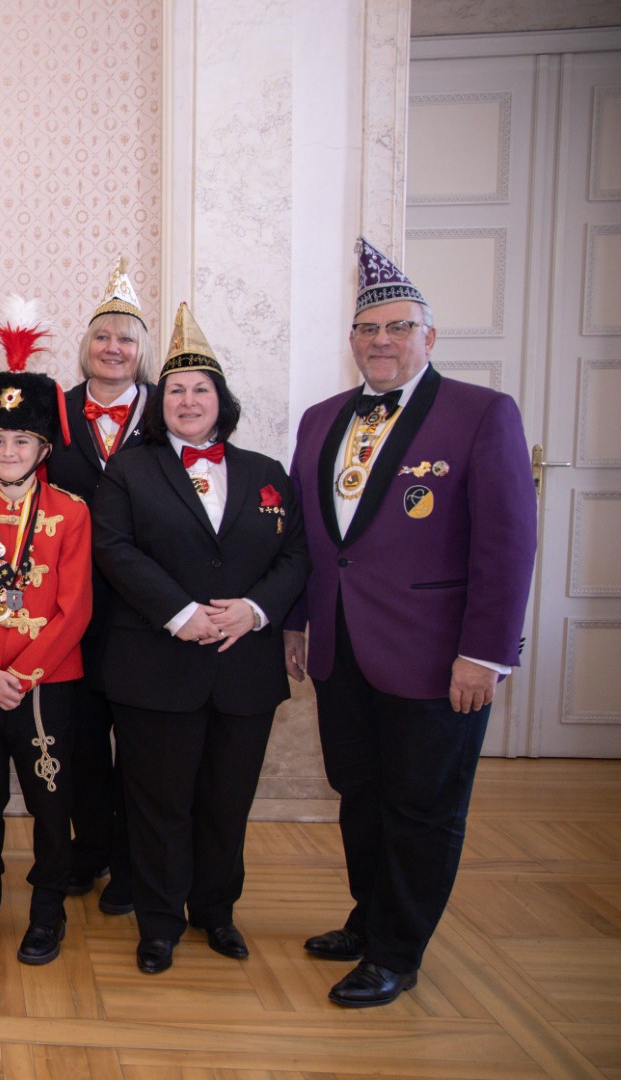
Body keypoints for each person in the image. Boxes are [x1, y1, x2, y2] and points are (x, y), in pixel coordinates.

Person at [285, 238, 537, 1007]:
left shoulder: (482, 414)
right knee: (360, 792)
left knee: (422, 806)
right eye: (369, 329)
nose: (382, 340)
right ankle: (369, 919)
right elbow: (306, 536)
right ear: (352, 340)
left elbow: (507, 542)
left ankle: (398, 951)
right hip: (341, 647)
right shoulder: (321, 419)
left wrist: (485, 653)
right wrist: (297, 622)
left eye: (399, 327)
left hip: (436, 656)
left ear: (429, 336)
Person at [90, 303, 308, 976]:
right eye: (177, 390)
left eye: (201, 389)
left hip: (244, 668)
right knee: (159, 805)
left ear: (222, 401)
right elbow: (114, 549)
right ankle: (159, 925)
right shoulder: (129, 470)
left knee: (227, 802)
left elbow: (296, 555)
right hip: (157, 665)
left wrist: (255, 610)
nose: (188, 400)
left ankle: (216, 912)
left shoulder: (267, 471)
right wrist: (179, 611)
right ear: (162, 404)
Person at [0, 366, 96, 964]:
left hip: (45, 685)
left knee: (51, 804)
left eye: (22, 441)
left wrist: (22, 676)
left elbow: (75, 609)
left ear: (44, 448)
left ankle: (48, 912)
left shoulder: (71, 512)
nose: (9, 451)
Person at [44, 256, 155, 915]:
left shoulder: (171, 411)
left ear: (142, 352)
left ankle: (135, 868)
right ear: (86, 345)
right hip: (72, 609)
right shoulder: (52, 411)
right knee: (81, 744)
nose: (113, 348)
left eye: (126, 339)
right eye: (103, 336)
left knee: (142, 749)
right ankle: (88, 853)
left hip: (148, 612)